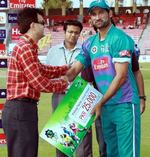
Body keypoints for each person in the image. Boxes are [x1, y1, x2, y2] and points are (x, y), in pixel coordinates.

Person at [66, 1, 141, 157]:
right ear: (90, 18)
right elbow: (72, 72)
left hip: (124, 104)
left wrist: (100, 102)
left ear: (110, 14)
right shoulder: (89, 44)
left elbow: (121, 77)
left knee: (128, 153)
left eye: (101, 12)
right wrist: (46, 73)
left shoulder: (120, 38)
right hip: (106, 107)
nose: (97, 17)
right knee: (112, 152)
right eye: (94, 14)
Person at [2, 8, 69, 157]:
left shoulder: (27, 47)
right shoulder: (25, 48)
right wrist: (64, 83)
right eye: (42, 23)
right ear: (33, 25)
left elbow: (42, 69)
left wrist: (65, 69)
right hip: (21, 109)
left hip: (21, 109)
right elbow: (39, 82)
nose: (45, 26)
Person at [46, 20, 93, 157]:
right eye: (70, 32)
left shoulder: (85, 51)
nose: (73, 35)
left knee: (83, 140)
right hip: (59, 95)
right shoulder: (53, 51)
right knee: (61, 138)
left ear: (79, 34)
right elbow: (49, 75)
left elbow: (89, 76)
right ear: (64, 32)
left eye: (76, 33)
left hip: (80, 96)